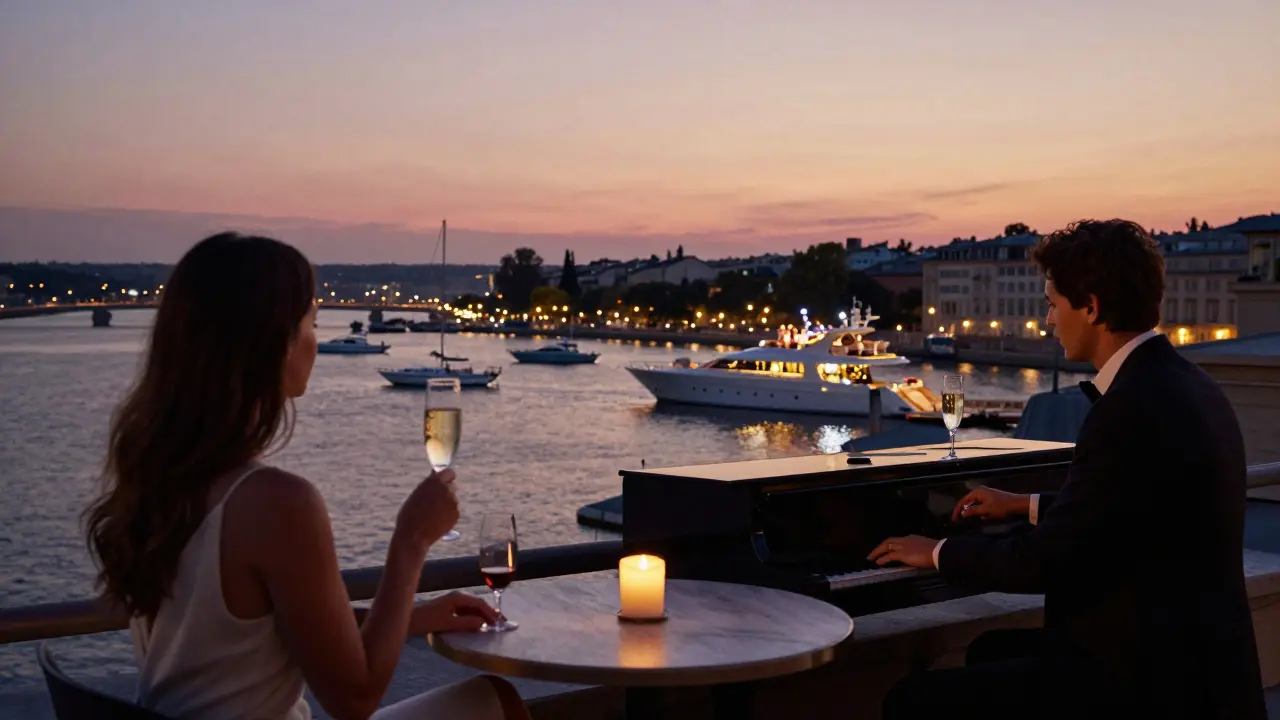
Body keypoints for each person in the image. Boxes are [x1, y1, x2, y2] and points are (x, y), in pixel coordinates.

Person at [84, 232, 530, 720]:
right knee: (497, 701)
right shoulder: (276, 502)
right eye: (311, 323)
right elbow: (354, 698)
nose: (315, 342)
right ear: (274, 343)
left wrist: (413, 618)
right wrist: (411, 543)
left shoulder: (158, 482)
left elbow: (274, 626)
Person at [869, 219, 1265, 719]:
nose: (1049, 320)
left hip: (1144, 681)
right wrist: (1025, 504)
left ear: (1092, 307)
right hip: (1204, 662)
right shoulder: (1191, 386)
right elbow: (1132, 513)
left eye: (1054, 304)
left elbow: (1051, 560)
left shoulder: (1128, 408)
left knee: (912, 702)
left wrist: (939, 552)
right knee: (990, 650)